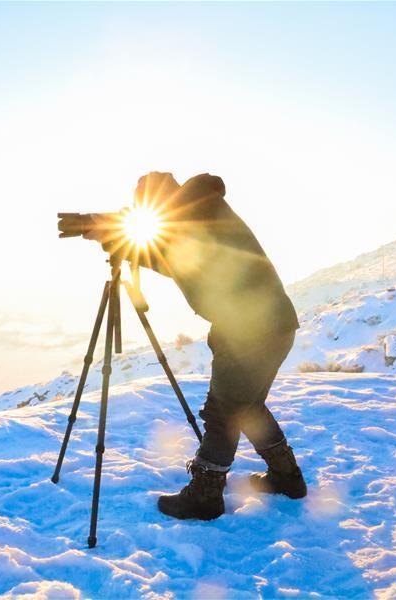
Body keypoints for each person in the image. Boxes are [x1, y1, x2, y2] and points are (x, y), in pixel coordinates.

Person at [86, 172, 307, 520]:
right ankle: (287, 477)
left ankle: (205, 496)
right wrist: (118, 239)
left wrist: (112, 230)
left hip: (249, 331)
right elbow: (178, 260)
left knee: (223, 413)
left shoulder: (192, 215)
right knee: (246, 406)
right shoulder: (202, 213)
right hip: (276, 327)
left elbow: (173, 245)